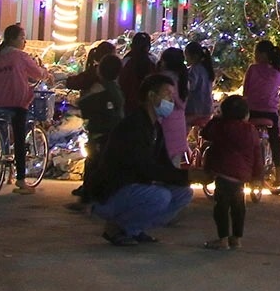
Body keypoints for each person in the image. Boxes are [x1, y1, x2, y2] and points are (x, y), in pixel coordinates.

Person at [91, 72, 193, 245]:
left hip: (135, 186)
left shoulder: (155, 128)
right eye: (167, 95)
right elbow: (144, 166)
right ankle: (116, 228)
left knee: (183, 193)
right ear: (152, 96)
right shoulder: (134, 125)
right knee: (161, 197)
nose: (171, 101)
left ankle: (134, 228)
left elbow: (163, 164)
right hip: (113, 191)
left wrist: (187, 177)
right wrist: (186, 176)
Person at [0, 23, 47, 195]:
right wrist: (47, 74)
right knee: (18, 138)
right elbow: (37, 73)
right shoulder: (20, 56)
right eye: (22, 37)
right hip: (16, 102)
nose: (24, 41)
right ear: (14, 39)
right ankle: (21, 180)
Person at [199, 93, 259, 250]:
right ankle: (237, 238)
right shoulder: (251, 130)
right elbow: (257, 153)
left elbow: (205, 133)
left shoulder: (220, 126)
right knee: (239, 208)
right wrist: (257, 176)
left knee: (221, 207)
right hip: (241, 177)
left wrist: (217, 118)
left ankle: (223, 239)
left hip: (223, 173)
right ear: (246, 114)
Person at [70, 42, 123, 209]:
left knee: (94, 165)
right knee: (100, 165)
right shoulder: (116, 88)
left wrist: (76, 104)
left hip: (100, 132)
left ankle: (88, 200)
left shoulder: (100, 88)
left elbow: (84, 104)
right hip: (112, 132)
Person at [243, 39, 280, 183]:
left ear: (261, 54)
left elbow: (245, 91)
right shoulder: (276, 73)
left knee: (244, 135)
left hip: (251, 112)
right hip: (269, 113)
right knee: (276, 139)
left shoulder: (252, 69)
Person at [157, 47, 191, 166]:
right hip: (179, 124)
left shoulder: (164, 79)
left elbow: (161, 106)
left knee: (160, 166)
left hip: (165, 125)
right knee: (174, 166)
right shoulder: (183, 78)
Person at [182, 40, 217, 132]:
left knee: (182, 126)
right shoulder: (207, 69)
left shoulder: (195, 70)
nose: (186, 59)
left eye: (187, 56)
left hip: (195, 109)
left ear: (194, 56)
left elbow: (191, 86)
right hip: (207, 108)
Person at [117, 32, 155, 107]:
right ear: (148, 47)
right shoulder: (153, 60)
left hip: (128, 104)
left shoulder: (126, 61)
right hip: (148, 106)